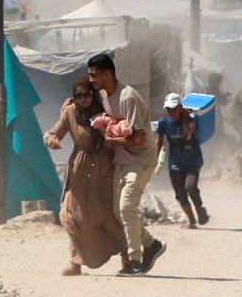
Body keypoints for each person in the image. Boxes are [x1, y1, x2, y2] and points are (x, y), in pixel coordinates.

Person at [87, 52, 165, 275]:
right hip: (122, 159)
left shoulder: (127, 97)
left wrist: (111, 141)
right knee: (118, 209)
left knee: (126, 207)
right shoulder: (104, 95)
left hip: (141, 160)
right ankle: (151, 245)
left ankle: (135, 260)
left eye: (94, 75)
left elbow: (138, 139)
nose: (92, 80)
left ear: (107, 74)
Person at [44, 75, 127, 276]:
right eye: (79, 95)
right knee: (71, 215)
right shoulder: (70, 112)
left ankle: (127, 253)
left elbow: (120, 135)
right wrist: (51, 140)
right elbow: (53, 132)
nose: (83, 99)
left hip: (102, 170)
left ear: (93, 94)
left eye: (87, 94)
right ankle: (75, 262)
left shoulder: (105, 111)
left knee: (105, 216)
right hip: (79, 170)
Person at [155, 92, 209, 228]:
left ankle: (200, 210)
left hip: (192, 161)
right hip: (175, 164)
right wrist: (154, 158)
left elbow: (189, 131)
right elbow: (159, 141)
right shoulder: (163, 123)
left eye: (174, 109)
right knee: (180, 194)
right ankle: (192, 220)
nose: (171, 113)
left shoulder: (191, 119)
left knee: (190, 187)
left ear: (180, 107)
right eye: (168, 109)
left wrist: (185, 115)